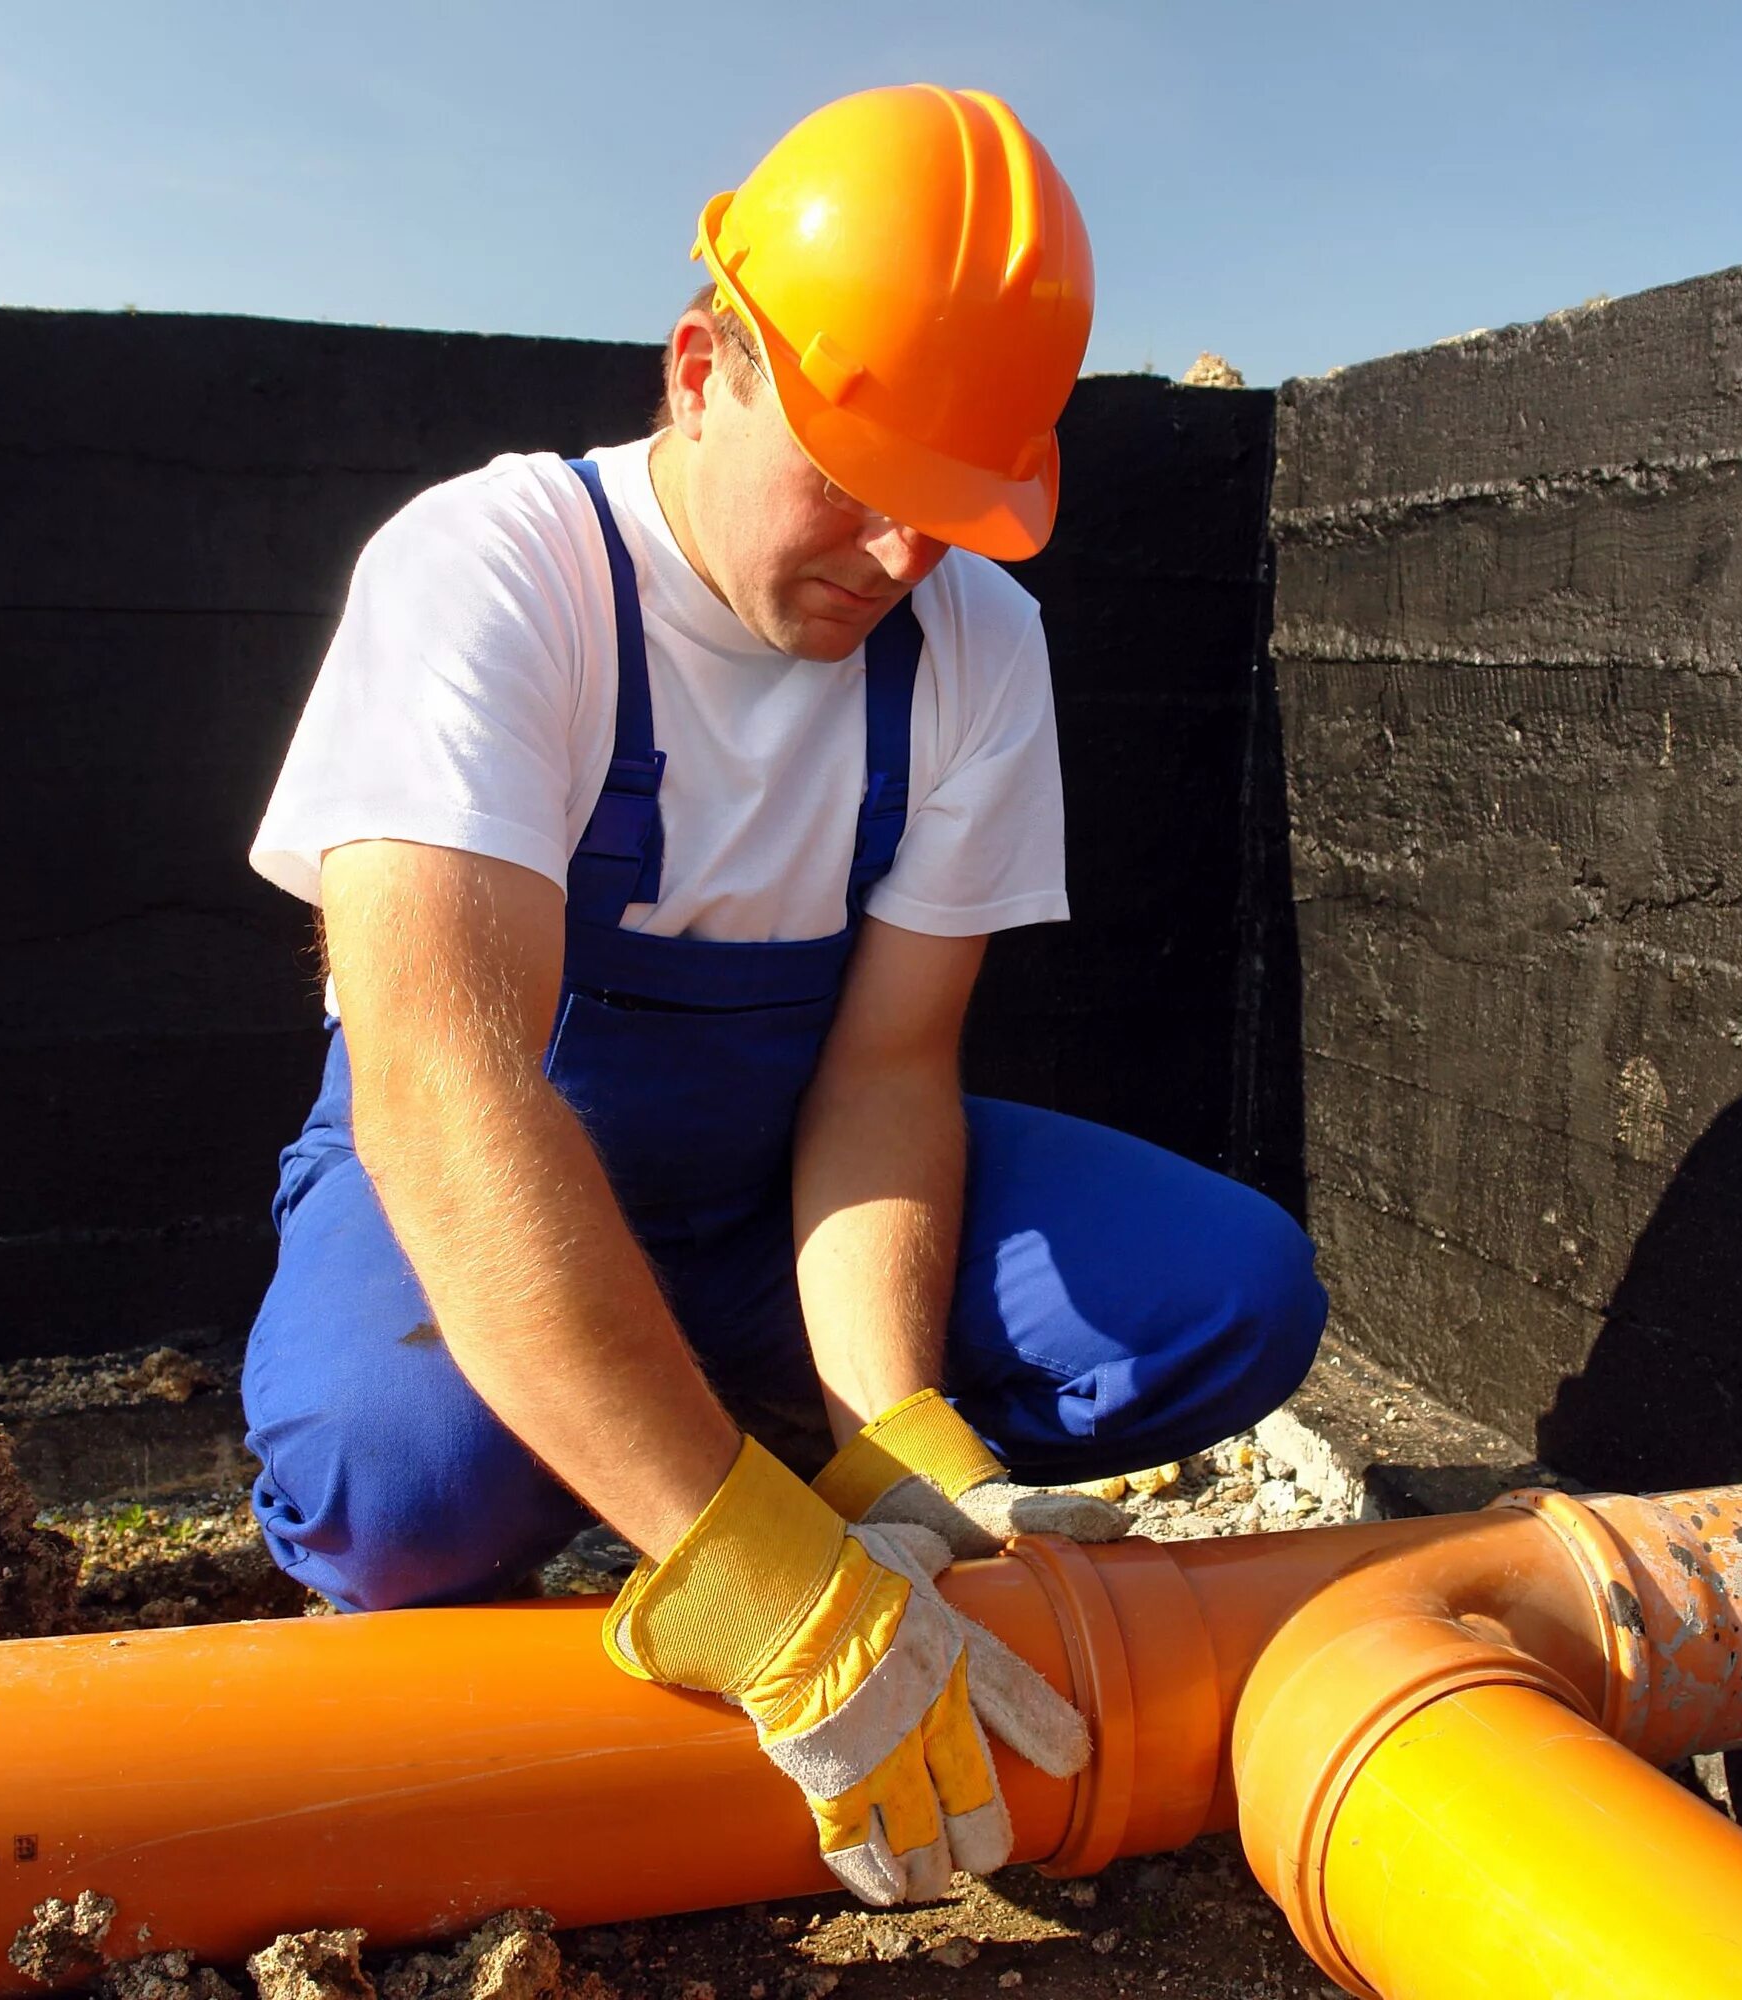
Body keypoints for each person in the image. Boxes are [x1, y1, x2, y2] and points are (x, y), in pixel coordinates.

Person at [238, 84, 1326, 1906]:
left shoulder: (974, 645)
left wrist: (900, 1436)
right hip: (468, 1179)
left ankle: (759, 1458)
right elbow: (446, 1090)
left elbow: (890, 1071)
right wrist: (758, 1595)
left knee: (1222, 1299)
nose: (902, 561)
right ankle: (672, 1491)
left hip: (765, 1198)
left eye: (948, 513)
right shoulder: (496, 575)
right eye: (858, 483)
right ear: (698, 364)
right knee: (395, 1491)